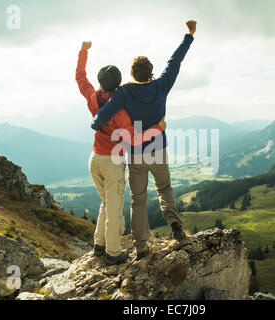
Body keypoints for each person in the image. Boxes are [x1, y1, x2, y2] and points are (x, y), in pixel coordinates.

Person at [90, 20, 197, 259]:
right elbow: (174, 61)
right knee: (165, 188)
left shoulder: (123, 93)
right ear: (151, 72)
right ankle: (176, 228)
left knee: (137, 200)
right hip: (158, 150)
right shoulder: (162, 86)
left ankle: (140, 246)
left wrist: (100, 126)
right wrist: (189, 35)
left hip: (136, 154)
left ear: (131, 74)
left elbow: (99, 119)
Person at [76, 41, 165, 265]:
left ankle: (99, 244)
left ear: (100, 83)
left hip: (94, 159)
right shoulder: (120, 112)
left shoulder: (91, 98)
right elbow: (134, 138)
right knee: (114, 210)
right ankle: (113, 253)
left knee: (106, 203)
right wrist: (157, 129)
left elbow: (80, 77)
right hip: (112, 162)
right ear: (118, 85)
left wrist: (84, 51)